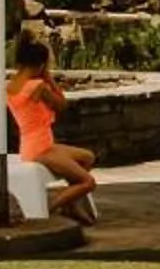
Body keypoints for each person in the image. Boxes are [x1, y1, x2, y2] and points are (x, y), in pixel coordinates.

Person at [8, 36, 98, 225]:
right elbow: (61, 104)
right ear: (41, 64)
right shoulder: (37, 86)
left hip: (38, 143)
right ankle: (50, 208)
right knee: (88, 182)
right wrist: (48, 77)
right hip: (40, 149)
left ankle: (71, 204)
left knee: (87, 157)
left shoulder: (13, 85)